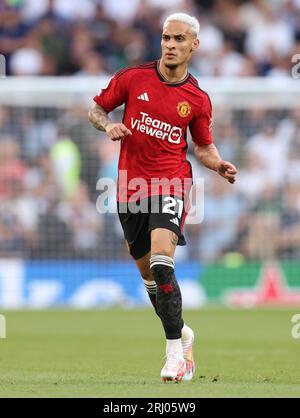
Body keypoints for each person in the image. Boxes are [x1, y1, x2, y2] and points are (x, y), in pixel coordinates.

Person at [89, 13, 237, 383]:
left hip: (171, 183)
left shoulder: (197, 99)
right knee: (149, 277)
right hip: (129, 188)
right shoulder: (132, 77)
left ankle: (174, 356)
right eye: (166, 38)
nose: (170, 45)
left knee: (161, 259)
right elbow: (96, 108)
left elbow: (202, 148)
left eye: (179, 39)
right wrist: (108, 125)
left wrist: (217, 164)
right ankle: (183, 334)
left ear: (194, 45)